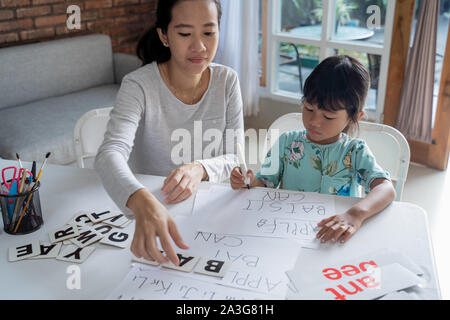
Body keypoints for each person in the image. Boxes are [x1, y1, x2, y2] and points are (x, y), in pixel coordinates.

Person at [95, 0, 244, 266]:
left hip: (209, 215)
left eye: (209, 32)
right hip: (149, 213)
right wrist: (141, 201)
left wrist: (199, 168)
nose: (199, 46)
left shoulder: (227, 81)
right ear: (164, 35)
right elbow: (109, 154)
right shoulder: (138, 85)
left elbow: (236, 159)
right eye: (185, 34)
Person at [230, 55, 396, 244]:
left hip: (335, 236)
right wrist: (249, 181)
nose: (314, 122)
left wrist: (356, 214)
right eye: (309, 108)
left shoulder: (355, 151)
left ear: (354, 117)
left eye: (328, 116)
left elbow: (386, 188)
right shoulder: (286, 143)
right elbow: (265, 183)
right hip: (287, 234)